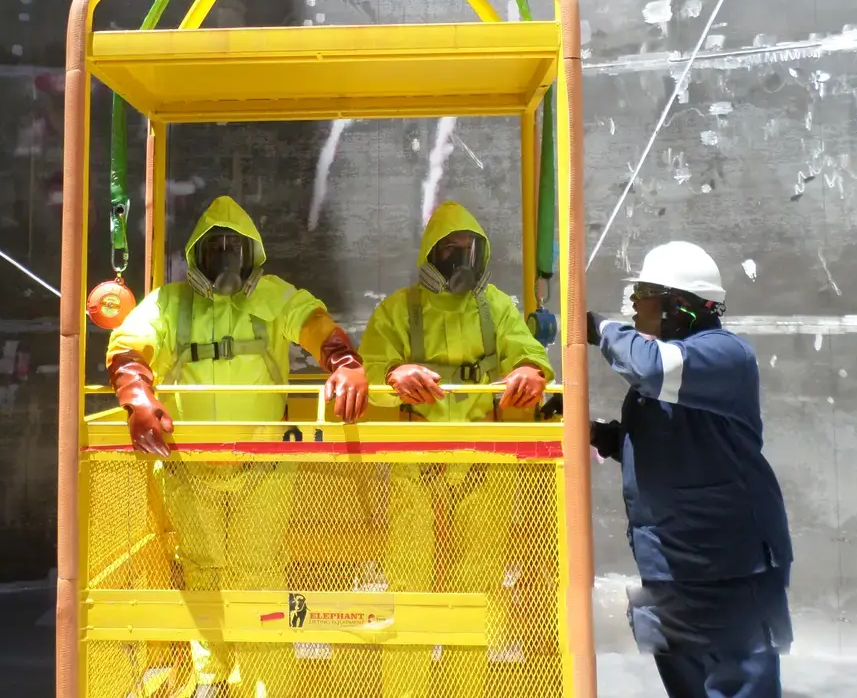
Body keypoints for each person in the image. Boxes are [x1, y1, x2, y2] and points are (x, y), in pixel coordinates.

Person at [105, 195, 368, 696]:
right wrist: (135, 394)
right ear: (196, 255)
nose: (226, 261)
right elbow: (129, 341)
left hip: (262, 467)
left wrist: (343, 360)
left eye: (235, 249)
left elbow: (309, 320)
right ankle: (214, 680)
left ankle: (269, 684)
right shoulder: (169, 303)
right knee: (202, 571)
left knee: (257, 572)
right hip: (189, 466)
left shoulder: (270, 296)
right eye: (215, 249)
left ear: (254, 255)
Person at [359, 200, 554, 697]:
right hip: (414, 469)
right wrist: (394, 373)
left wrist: (531, 371)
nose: (459, 260)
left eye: (468, 250)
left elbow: (527, 352)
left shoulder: (497, 307)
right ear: (430, 254)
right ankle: (408, 690)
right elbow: (373, 366)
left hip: (483, 467)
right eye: (449, 250)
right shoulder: (399, 309)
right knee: (408, 584)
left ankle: (466, 688)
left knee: (479, 585)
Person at [586, 241, 793, 698]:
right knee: (687, 686)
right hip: (668, 561)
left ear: (680, 306)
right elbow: (664, 444)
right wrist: (597, 433)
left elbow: (649, 366)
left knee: (739, 687)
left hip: (727, 565)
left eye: (643, 296)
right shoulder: (671, 366)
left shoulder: (722, 354)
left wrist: (601, 328)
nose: (635, 307)